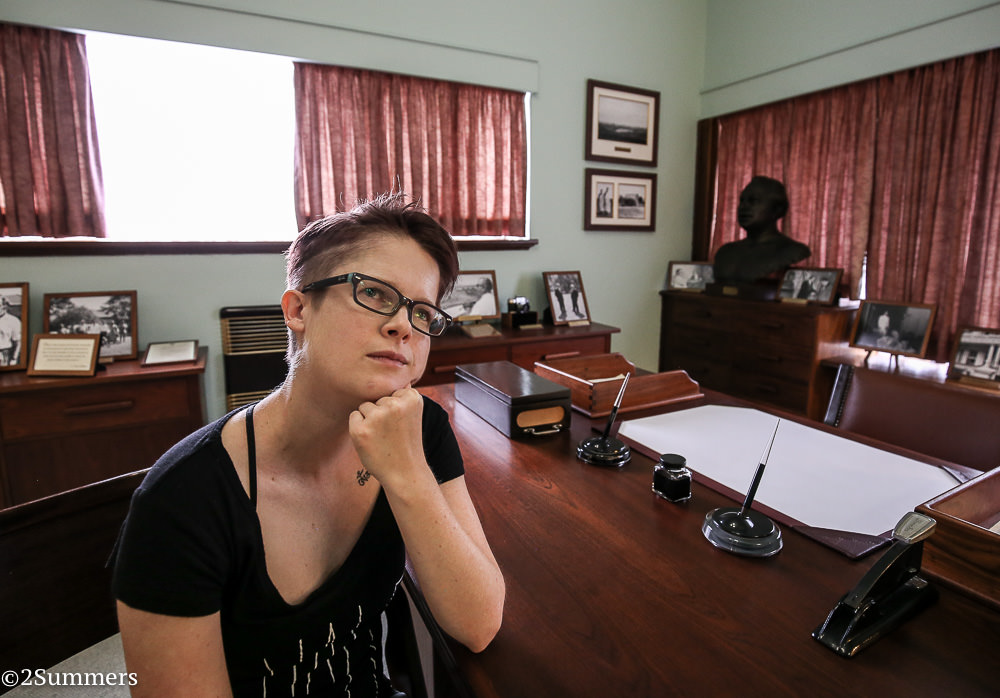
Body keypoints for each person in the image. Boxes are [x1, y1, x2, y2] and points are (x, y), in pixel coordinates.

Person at [111, 194, 505, 697]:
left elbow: (477, 624)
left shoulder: (419, 429)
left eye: (423, 312)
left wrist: (407, 477)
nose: (403, 325)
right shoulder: (184, 499)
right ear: (298, 309)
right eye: (376, 294)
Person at [712, 176, 811, 284]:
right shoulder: (725, 252)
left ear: (777, 209)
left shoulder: (792, 251)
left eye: (753, 201)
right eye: (742, 201)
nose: (743, 207)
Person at [0, 297, 21, 366]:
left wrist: (14, 359)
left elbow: (18, 342)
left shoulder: (13, 321)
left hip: (4, 355)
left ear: (4, 306)